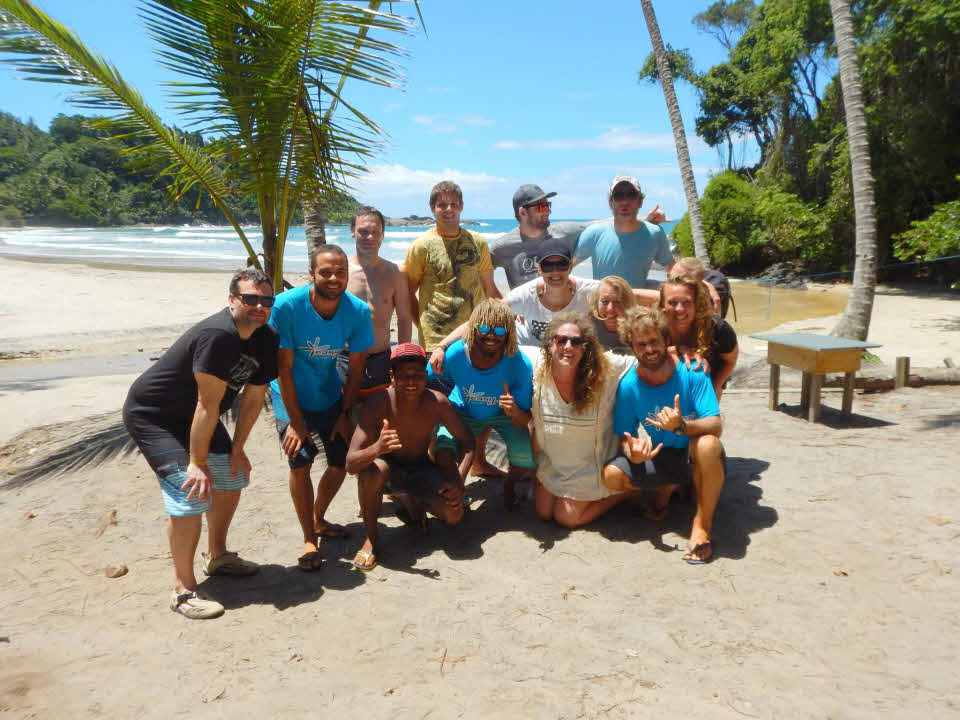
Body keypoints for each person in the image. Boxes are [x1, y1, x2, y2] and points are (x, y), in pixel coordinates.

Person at [123, 269, 279, 619]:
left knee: (231, 477)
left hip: (198, 418)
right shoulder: (217, 335)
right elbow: (207, 404)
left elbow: (253, 398)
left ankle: (218, 556)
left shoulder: (267, 337)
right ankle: (183, 590)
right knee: (189, 489)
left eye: (266, 300)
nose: (258, 306)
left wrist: (238, 448)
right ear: (232, 299)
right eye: (250, 299)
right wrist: (196, 462)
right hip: (156, 415)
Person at [269, 244, 375, 571]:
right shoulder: (287, 306)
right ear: (312, 273)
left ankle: (318, 518)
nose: (333, 278)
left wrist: (344, 412)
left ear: (347, 274)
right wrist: (296, 422)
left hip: (329, 394)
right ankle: (308, 539)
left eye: (339, 272)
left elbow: (357, 367)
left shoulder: (356, 311)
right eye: (325, 272)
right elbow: (283, 369)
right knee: (299, 462)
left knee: (342, 461)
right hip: (289, 397)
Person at [602, 308, 724, 564]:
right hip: (665, 456)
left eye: (654, 341)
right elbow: (625, 435)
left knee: (708, 445)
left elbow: (715, 424)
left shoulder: (692, 372)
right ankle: (665, 490)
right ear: (632, 348)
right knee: (611, 476)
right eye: (641, 344)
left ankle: (702, 525)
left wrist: (682, 426)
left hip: (693, 454)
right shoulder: (628, 386)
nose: (649, 349)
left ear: (666, 340)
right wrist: (632, 451)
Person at [345, 343, 475, 572]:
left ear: (426, 375)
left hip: (420, 468)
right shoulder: (378, 403)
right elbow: (351, 463)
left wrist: (458, 482)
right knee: (373, 472)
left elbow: (468, 443)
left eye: (417, 375)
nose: (411, 382)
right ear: (392, 376)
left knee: (454, 514)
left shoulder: (437, 402)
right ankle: (371, 538)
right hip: (388, 470)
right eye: (404, 376)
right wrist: (377, 448)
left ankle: (412, 502)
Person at [532, 312, 640, 528]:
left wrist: (678, 352)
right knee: (543, 512)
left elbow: (642, 360)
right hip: (555, 465)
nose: (568, 346)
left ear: (585, 346)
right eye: (561, 339)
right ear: (550, 343)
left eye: (576, 341)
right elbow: (505, 351)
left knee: (566, 517)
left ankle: (624, 493)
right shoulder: (537, 366)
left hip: (589, 467)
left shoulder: (605, 367)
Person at [430, 299, 537, 508]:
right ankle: (455, 489)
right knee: (442, 449)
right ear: (474, 328)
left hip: (502, 415)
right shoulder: (455, 354)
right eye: (485, 328)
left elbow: (525, 418)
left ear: (509, 333)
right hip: (463, 410)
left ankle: (509, 485)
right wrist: (439, 348)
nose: (491, 335)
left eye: (499, 330)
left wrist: (514, 410)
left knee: (526, 456)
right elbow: (417, 380)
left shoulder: (519, 364)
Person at [489, 184, 667, 289]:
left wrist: (646, 219)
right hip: (525, 318)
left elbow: (599, 224)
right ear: (523, 212)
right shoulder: (501, 247)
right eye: (542, 207)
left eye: (548, 205)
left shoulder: (564, 232)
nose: (548, 210)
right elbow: (483, 280)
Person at [404, 180, 501, 356]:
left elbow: (489, 288)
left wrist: (509, 312)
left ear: (461, 206)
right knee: (437, 384)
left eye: (454, 204)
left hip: (475, 337)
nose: (449, 209)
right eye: (442, 205)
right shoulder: (421, 246)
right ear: (432, 207)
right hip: (435, 341)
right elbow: (408, 292)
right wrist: (422, 324)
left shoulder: (477, 242)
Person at [340, 205, 413, 402]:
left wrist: (402, 360)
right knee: (342, 421)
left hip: (380, 358)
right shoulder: (340, 271)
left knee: (378, 422)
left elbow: (405, 319)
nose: (369, 237)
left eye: (375, 232)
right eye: (363, 231)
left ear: (383, 234)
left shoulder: (394, 273)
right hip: (342, 359)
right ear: (352, 232)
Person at [574, 175, 676, 287]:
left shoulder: (654, 233)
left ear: (640, 202)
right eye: (618, 196)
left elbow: (673, 270)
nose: (624, 202)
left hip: (637, 304)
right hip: (604, 303)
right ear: (611, 203)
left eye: (631, 195)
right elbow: (565, 267)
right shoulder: (594, 233)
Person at [660, 273, 739, 402]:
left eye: (687, 302)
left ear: (697, 303)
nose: (679, 309)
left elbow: (730, 361)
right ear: (663, 304)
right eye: (672, 302)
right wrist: (678, 349)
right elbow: (643, 357)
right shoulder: (655, 327)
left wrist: (714, 387)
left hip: (706, 385)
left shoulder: (718, 329)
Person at [588, 275, 638, 354]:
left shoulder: (639, 329)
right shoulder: (586, 328)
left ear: (628, 304)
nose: (610, 309)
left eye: (618, 302)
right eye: (604, 301)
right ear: (596, 302)